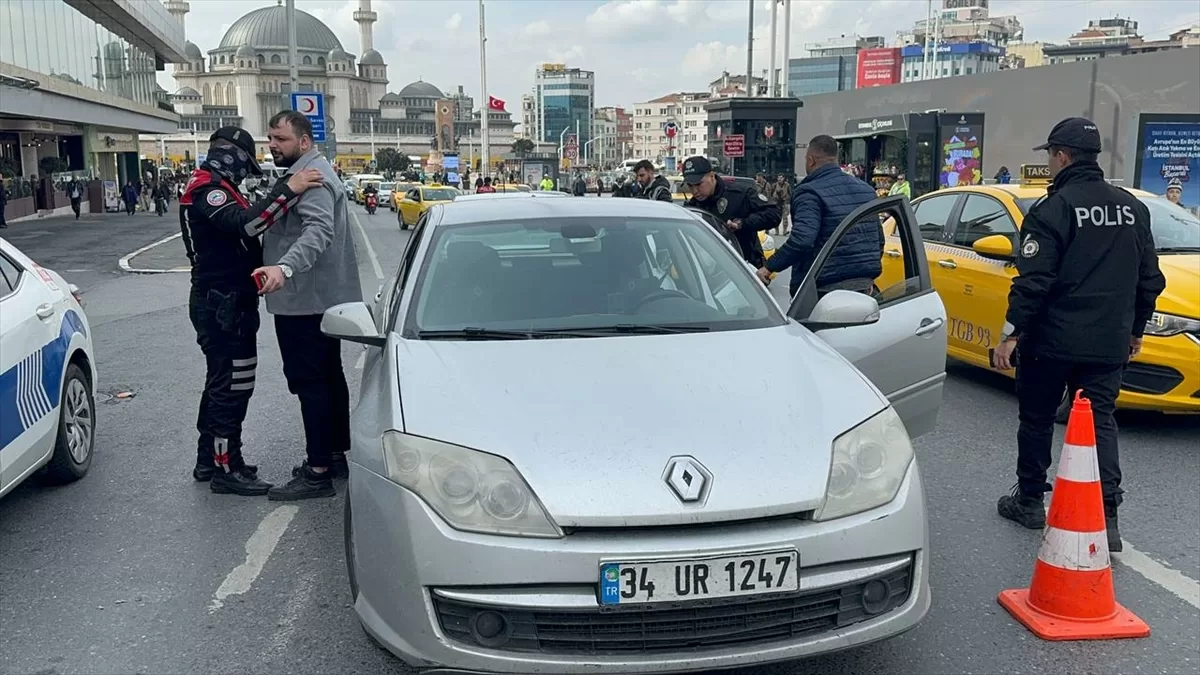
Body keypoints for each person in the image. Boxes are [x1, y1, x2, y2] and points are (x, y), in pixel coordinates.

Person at [992, 117, 1165, 552]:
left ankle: (1030, 499)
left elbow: (1034, 281)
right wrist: (1136, 329)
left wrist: (1012, 333)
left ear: (1062, 156)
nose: (1049, 164)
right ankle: (1107, 516)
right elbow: (1150, 279)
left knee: (1035, 420)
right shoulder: (1132, 208)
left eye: (1050, 155)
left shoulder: (1052, 210)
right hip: (1109, 341)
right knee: (1099, 422)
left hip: (1051, 342)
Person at [181, 125, 323, 495]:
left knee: (221, 382)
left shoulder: (218, 186)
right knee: (232, 385)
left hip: (227, 299)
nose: (246, 172)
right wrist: (287, 190)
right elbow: (245, 225)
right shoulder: (207, 190)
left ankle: (208, 459)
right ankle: (227, 468)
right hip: (221, 302)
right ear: (232, 155)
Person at [254, 110, 362, 501]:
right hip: (317, 297)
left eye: (280, 139)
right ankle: (333, 456)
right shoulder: (306, 172)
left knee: (310, 381)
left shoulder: (311, 179)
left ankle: (317, 471)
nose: (272, 145)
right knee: (328, 377)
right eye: (270, 138)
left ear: (303, 141)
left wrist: (285, 266)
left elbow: (318, 231)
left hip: (305, 299)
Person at [757, 135, 880, 298]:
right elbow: (879, 238)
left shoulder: (809, 192)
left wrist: (769, 267)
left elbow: (802, 240)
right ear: (835, 159)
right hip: (865, 289)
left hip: (822, 290)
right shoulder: (866, 190)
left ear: (811, 160)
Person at [683, 156, 780, 268]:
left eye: (699, 184)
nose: (695, 191)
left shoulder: (739, 194)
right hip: (710, 271)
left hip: (745, 267)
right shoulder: (692, 207)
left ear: (712, 176)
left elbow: (774, 214)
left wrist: (742, 223)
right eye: (690, 186)